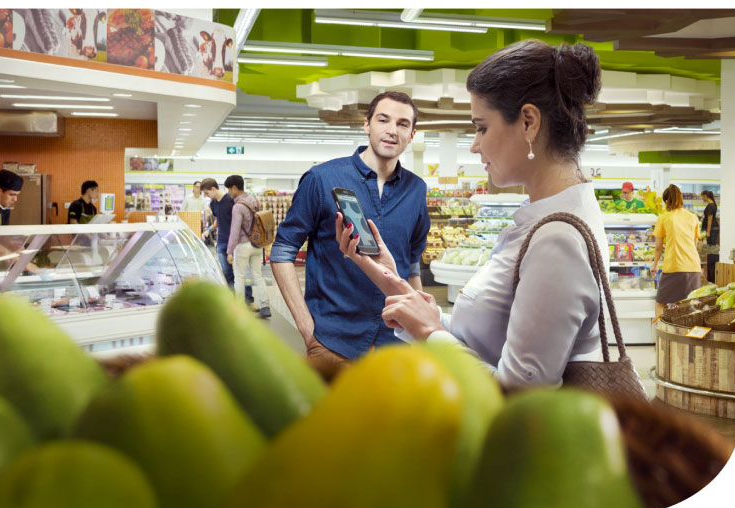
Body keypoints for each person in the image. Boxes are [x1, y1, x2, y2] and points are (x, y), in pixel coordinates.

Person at [337, 40, 608, 391]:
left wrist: (430, 332)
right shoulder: (552, 218)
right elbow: (491, 343)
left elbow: (517, 393)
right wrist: (395, 281)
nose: (474, 144)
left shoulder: (557, 240)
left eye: (481, 127)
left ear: (528, 122)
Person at [271, 91, 429, 381]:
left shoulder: (417, 190)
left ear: (412, 134)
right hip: (333, 342)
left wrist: (421, 327)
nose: (392, 130)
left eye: (403, 124)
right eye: (384, 119)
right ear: (367, 125)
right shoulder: (322, 179)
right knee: (331, 426)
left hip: (397, 347)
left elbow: (413, 262)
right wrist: (307, 329)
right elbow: (282, 251)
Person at [650, 184, 701, 317]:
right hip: (694, 267)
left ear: (667, 201)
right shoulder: (693, 217)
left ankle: (661, 335)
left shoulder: (664, 218)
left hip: (675, 266)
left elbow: (658, 247)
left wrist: (654, 265)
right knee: (690, 306)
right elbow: (694, 244)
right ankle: (686, 336)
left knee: (660, 303)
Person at [201, 178, 254, 305]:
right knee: (227, 274)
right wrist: (208, 230)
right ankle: (234, 301)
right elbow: (217, 221)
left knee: (241, 273)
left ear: (213, 189)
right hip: (221, 243)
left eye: (207, 193)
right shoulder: (213, 204)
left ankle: (248, 301)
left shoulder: (231, 201)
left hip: (236, 242)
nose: (207, 196)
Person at [225, 175, 271, 319]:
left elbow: (235, 230)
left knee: (239, 276)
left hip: (243, 245)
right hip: (257, 244)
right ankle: (265, 306)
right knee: (258, 275)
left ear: (234, 187)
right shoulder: (254, 200)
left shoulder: (238, 206)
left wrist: (229, 251)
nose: (228, 193)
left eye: (228, 189)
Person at [700, 190, 720, 282]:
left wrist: (707, 232)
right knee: (711, 248)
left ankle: (710, 268)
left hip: (711, 230)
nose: (701, 198)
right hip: (714, 229)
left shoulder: (710, 206)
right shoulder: (713, 204)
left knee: (710, 249)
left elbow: (710, 219)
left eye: (702, 196)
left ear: (705, 196)